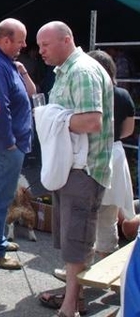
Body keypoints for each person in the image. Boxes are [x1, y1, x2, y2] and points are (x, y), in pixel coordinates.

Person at [36, 22, 113, 317]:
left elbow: (92, 121)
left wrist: (52, 119)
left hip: (84, 169)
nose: (40, 50)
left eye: (45, 44)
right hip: (74, 168)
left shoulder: (82, 70)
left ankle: (70, 306)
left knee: (77, 240)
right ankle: (73, 296)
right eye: (39, 45)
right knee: (73, 239)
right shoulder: (68, 70)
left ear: (66, 40)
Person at [51, 50, 135, 286]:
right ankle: (105, 271)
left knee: (84, 220)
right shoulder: (123, 95)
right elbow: (128, 130)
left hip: (88, 157)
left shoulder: (84, 89)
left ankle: (83, 274)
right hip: (115, 153)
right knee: (108, 214)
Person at [0, 18, 35, 270]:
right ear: (5, 40)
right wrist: (9, 141)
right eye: (20, 40)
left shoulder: (3, 61)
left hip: (8, 143)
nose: (24, 45)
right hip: (5, 145)